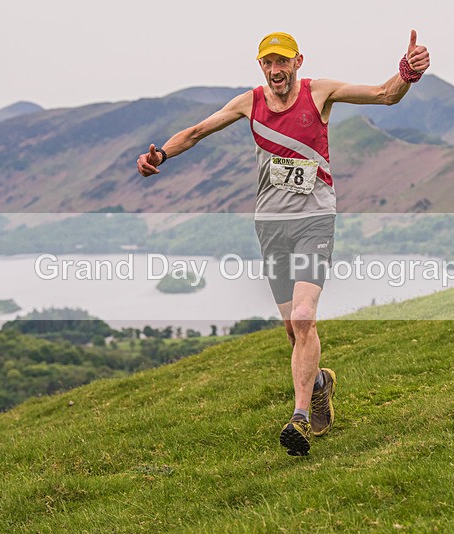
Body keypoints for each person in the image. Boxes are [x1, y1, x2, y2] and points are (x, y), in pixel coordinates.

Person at [137, 30, 430, 456]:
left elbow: (384, 95)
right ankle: (321, 383)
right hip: (271, 225)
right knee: (294, 330)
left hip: (314, 219)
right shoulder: (249, 103)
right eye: (268, 62)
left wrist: (407, 72)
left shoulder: (319, 93)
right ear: (261, 66)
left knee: (305, 316)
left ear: (298, 62)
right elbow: (197, 132)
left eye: (283, 61)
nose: (276, 70)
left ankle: (299, 416)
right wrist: (160, 155)